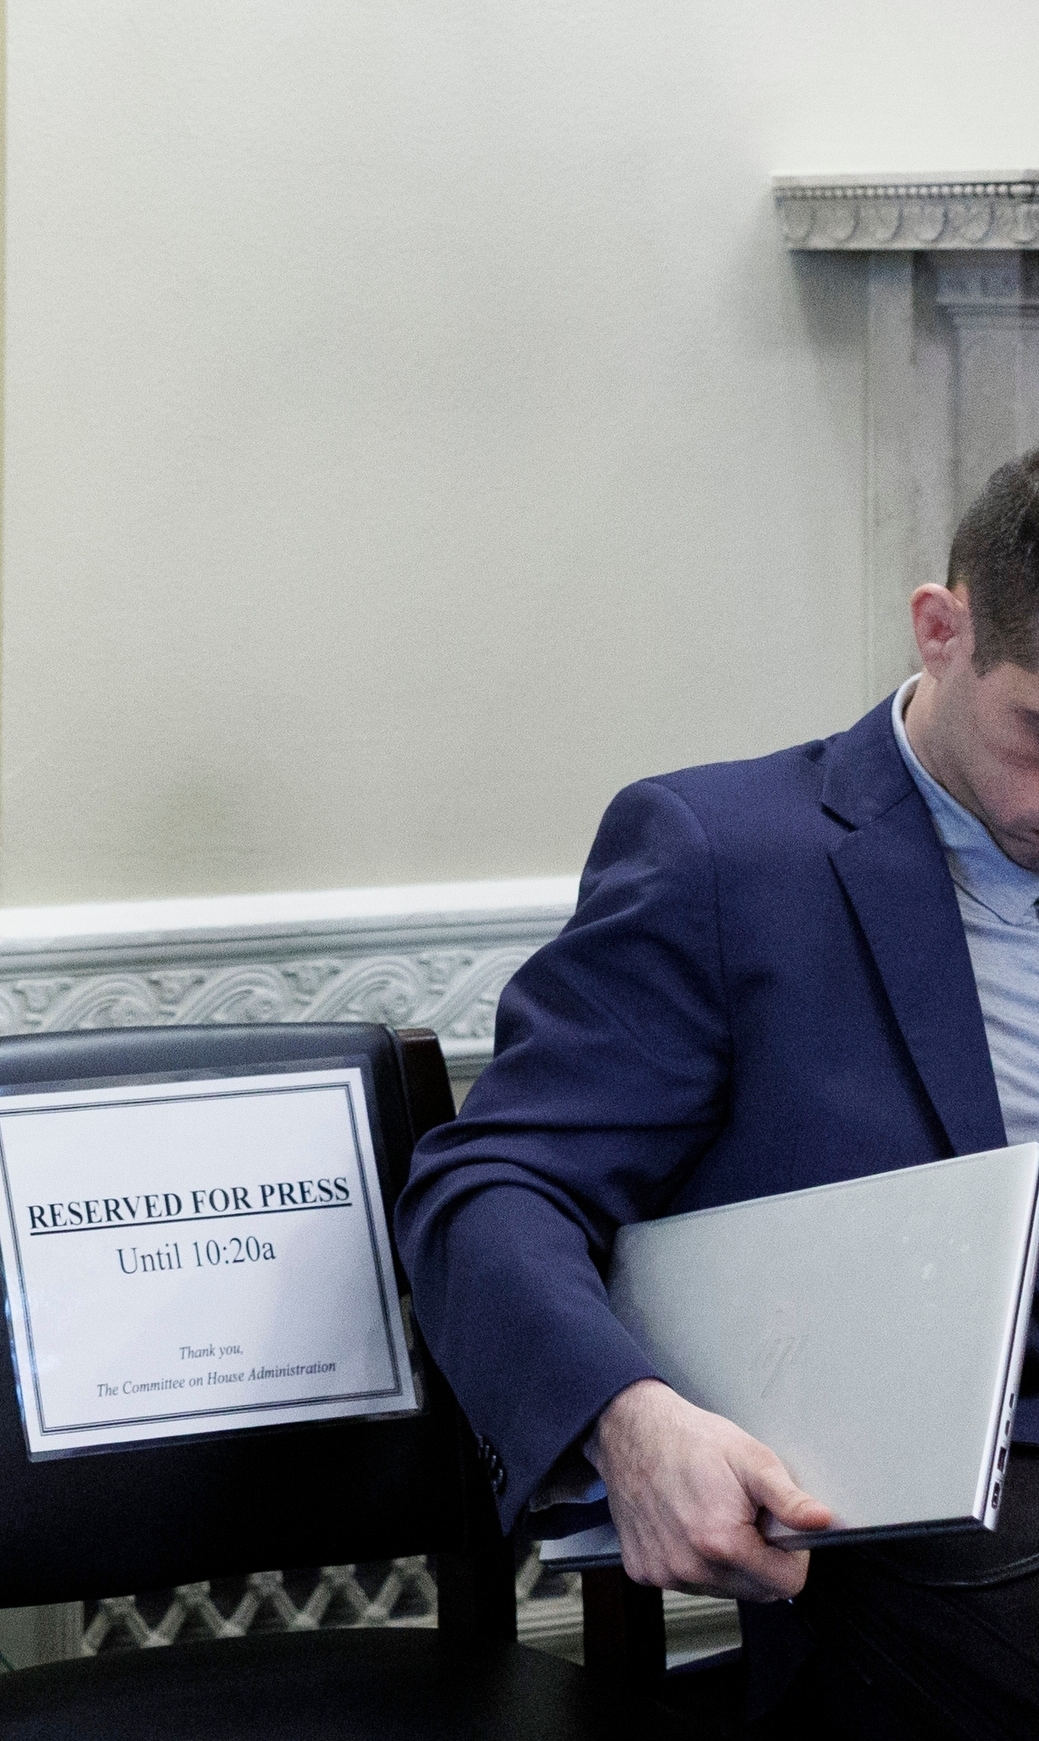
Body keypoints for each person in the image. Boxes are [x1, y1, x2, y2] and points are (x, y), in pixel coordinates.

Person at [400, 445, 1039, 1736]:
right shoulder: (728, 858)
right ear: (941, 630)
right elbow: (490, 1187)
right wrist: (626, 1418)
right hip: (921, 1521)